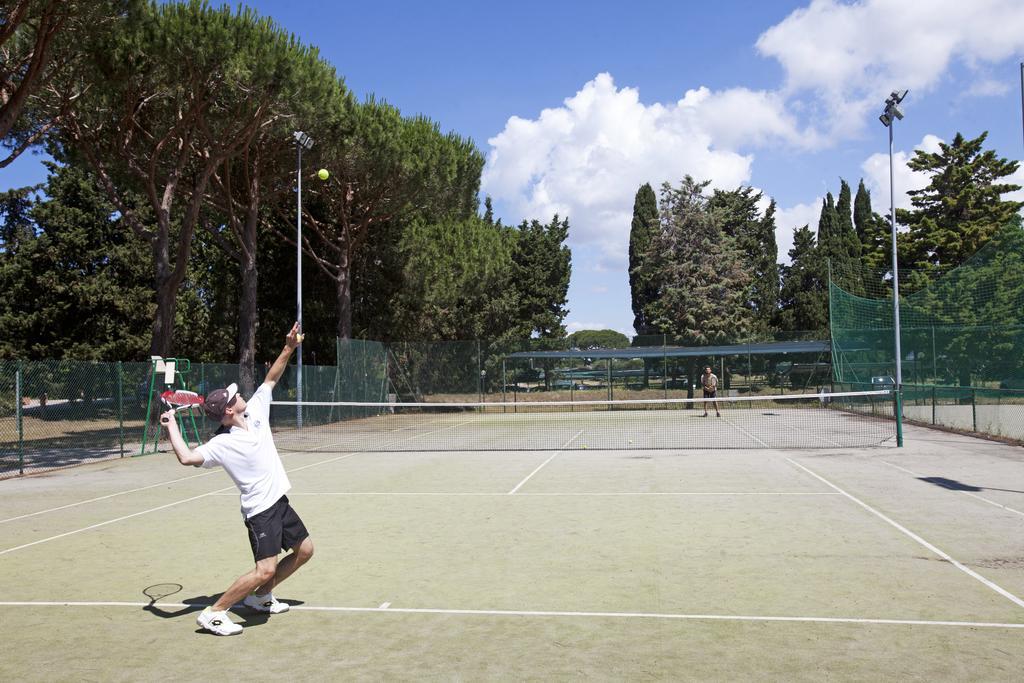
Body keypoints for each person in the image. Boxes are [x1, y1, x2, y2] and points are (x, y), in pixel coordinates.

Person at [161, 322, 313, 636]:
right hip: (260, 512)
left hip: (279, 502)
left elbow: (272, 378)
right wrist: (170, 426)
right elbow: (187, 458)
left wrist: (289, 347)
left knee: (305, 550)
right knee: (265, 568)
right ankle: (214, 612)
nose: (240, 394)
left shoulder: (256, 410)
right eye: (234, 396)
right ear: (228, 411)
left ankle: (260, 599)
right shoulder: (222, 444)